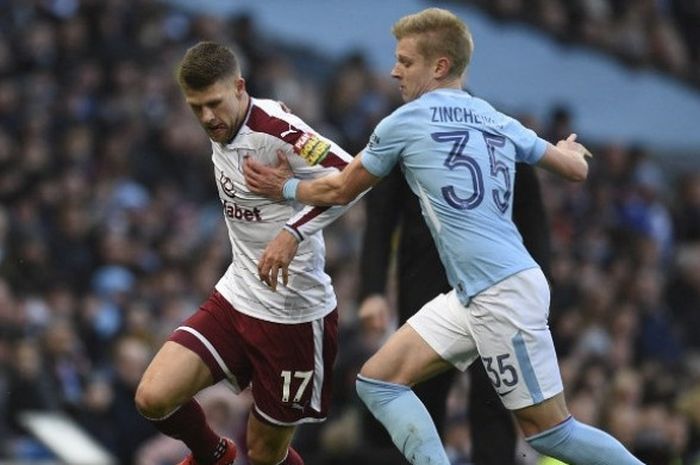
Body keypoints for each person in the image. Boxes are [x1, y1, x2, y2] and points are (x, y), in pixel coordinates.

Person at [243, 8, 645, 465]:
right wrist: (571, 150)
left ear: (439, 66)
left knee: (551, 435)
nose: (394, 70)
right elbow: (575, 169)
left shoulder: (404, 122)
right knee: (378, 381)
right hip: (473, 294)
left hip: (501, 294)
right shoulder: (496, 118)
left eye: (406, 61)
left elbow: (338, 189)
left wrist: (284, 188)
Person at [134, 41, 358, 465]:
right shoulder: (224, 125)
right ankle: (213, 454)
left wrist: (292, 225)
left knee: (264, 454)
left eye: (214, 104)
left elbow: (350, 176)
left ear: (239, 87)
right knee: (152, 397)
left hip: (294, 315)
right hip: (238, 296)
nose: (206, 117)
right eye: (196, 107)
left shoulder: (276, 129)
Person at [358, 160, 550, 465]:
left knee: (496, 396)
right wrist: (372, 290)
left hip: (495, 288)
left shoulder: (504, 136)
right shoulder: (407, 136)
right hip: (426, 282)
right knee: (420, 393)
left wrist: (538, 299)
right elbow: (381, 218)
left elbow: (534, 222)